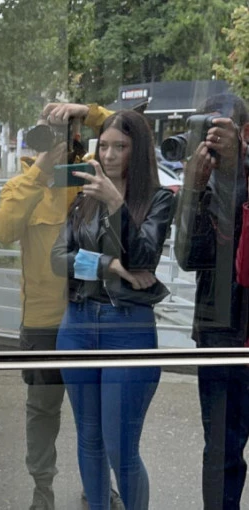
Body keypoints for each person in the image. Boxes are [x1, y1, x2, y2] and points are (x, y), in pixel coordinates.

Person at [0, 102, 113, 510]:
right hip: (43, 322)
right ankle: (42, 488)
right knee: (42, 411)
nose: (59, 139)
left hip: (91, 315)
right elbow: (3, 230)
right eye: (49, 131)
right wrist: (42, 168)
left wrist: (88, 113)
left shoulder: (93, 175)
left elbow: (130, 134)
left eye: (66, 131)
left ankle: (98, 484)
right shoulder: (24, 183)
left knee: (96, 412)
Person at [51, 110, 175, 510]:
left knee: (121, 446)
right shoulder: (84, 197)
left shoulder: (158, 199)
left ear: (138, 151)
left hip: (128, 327)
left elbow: (143, 258)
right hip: (78, 323)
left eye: (120, 146)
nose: (108, 155)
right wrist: (109, 265)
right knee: (89, 438)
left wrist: (117, 204)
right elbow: (58, 259)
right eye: (103, 146)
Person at [174, 93, 249, 510]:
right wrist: (193, 189)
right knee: (221, 449)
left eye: (219, 127)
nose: (211, 138)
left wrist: (239, 165)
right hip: (219, 330)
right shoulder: (200, 179)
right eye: (204, 128)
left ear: (243, 132)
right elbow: (188, 257)